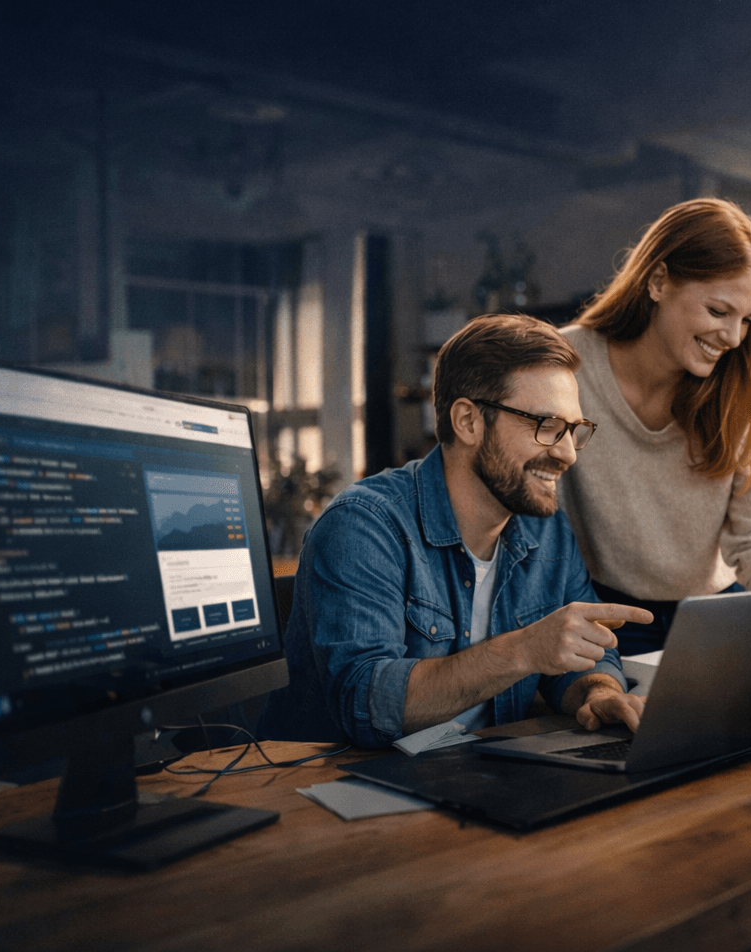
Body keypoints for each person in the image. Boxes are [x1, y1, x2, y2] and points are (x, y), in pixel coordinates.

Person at [258, 314, 653, 748]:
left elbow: (580, 656)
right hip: (343, 787)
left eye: (575, 431)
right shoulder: (363, 525)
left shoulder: (547, 530)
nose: (567, 454)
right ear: (468, 422)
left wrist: (598, 694)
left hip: (483, 776)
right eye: (546, 427)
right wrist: (523, 650)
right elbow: (364, 701)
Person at [559, 198, 751, 655]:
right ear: (657, 281)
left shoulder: (748, 379)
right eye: (718, 312)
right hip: (602, 610)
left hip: (715, 610)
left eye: (748, 320)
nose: (733, 339)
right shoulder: (565, 368)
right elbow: (536, 523)